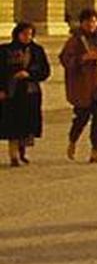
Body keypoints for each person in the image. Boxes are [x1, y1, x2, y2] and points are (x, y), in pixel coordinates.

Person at [59, 8, 97, 164]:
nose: (91, 24)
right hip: (82, 86)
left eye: (94, 21)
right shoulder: (74, 41)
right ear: (82, 23)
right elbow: (65, 60)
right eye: (88, 21)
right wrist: (84, 57)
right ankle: (73, 140)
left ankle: (96, 151)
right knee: (81, 118)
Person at [2, 22, 50, 167]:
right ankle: (14, 155)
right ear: (17, 34)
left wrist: (29, 74)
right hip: (12, 93)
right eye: (24, 34)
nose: (27, 37)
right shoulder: (5, 50)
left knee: (27, 124)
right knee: (12, 124)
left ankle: (22, 152)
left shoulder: (37, 51)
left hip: (30, 93)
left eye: (30, 34)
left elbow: (45, 71)